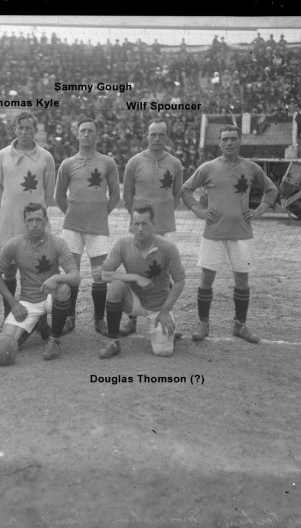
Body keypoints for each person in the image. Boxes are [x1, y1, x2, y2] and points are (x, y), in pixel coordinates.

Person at [180, 125, 278, 344]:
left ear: (240, 141)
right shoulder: (208, 168)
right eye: (225, 139)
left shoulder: (251, 167)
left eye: (233, 139)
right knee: (206, 279)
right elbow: (185, 189)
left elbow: (271, 190)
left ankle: (239, 325)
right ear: (219, 142)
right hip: (213, 232)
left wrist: (260, 210)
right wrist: (198, 210)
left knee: (242, 279)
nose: (229, 143)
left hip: (241, 232)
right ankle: (203, 323)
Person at [54, 116, 120, 337]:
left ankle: (99, 319)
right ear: (76, 134)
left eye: (91, 131)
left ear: (97, 135)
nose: (86, 134)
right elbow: (59, 195)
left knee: (99, 275)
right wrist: (74, 214)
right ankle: (70, 318)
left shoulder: (107, 162)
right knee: (72, 272)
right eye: (83, 131)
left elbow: (115, 195)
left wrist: (100, 214)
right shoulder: (67, 164)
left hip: (98, 227)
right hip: (72, 226)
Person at [0, 203, 81, 361]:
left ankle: (54, 341)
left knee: (64, 288)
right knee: (7, 343)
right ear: (24, 221)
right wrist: (14, 303)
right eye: (30, 220)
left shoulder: (58, 242)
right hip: (29, 300)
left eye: (39, 220)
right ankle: (39, 325)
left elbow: (75, 276)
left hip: (51, 296)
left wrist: (56, 278)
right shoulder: (14, 244)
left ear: (46, 220)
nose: (34, 224)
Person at [121, 118, 183, 337]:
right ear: (146, 136)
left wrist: (162, 217)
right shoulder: (134, 162)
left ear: (167, 137)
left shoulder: (175, 163)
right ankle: (132, 320)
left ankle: (166, 317)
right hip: (140, 229)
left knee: (164, 275)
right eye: (153, 134)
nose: (157, 139)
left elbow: (176, 196)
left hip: (164, 226)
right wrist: (138, 222)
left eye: (161, 135)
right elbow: (127, 195)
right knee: (135, 270)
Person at [99, 203, 185, 358]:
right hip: (134, 300)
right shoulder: (122, 244)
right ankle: (114, 341)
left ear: (154, 224)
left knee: (163, 352)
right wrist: (135, 277)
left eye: (144, 224)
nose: (140, 228)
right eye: (136, 223)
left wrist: (165, 311)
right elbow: (105, 275)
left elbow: (179, 280)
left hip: (159, 306)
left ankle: (168, 330)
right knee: (116, 286)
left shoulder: (168, 247)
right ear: (131, 225)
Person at [0, 111, 56, 321]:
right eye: (20, 127)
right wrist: (11, 210)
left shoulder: (46, 157)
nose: (23, 131)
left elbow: (48, 194)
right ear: (14, 129)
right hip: (9, 224)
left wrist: (36, 218)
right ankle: (8, 315)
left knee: (39, 271)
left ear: (35, 130)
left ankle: (40, 320)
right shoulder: (2, 155)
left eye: (28, 127)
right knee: (8, 272)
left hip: (35, 226)